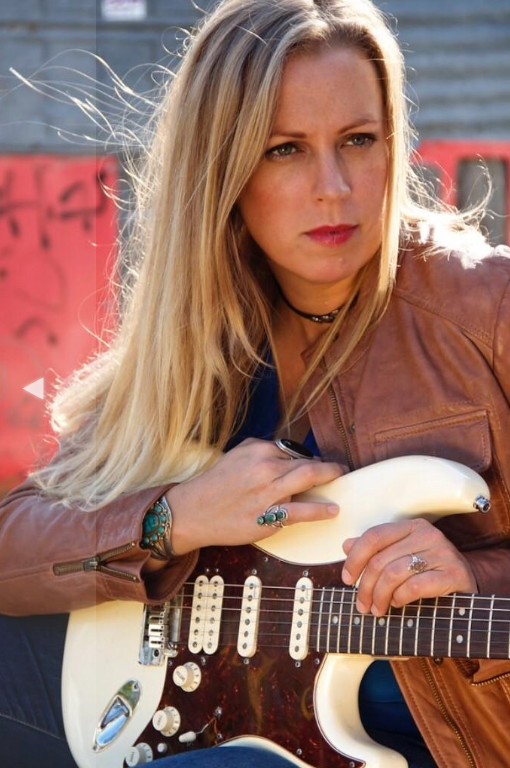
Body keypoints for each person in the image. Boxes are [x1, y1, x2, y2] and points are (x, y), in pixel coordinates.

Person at [1, 0, 509, 766]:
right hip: (206, 719)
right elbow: (16, 547)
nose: (334, 187)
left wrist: (474, 575)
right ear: (223, 170)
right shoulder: (199, 337)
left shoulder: (486, 308)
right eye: (285, 150)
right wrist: (170, 519)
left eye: (358, 140)